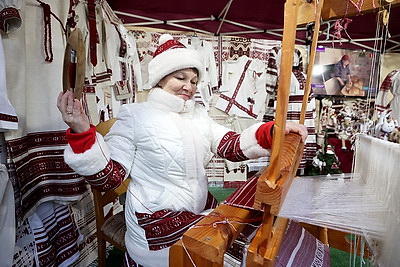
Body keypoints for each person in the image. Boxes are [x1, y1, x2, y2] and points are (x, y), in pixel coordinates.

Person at [57, 34, 308, 267]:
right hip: (156, 219)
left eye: (194, 81)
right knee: (237, 249)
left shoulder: (198, 115)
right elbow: (109, 177)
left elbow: (230, 146)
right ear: (161, 78)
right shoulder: (135, 116)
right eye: (181, 78)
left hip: (197, 208)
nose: (189, 86)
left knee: (260, 236)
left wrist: (271, 132)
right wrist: (81, 133)